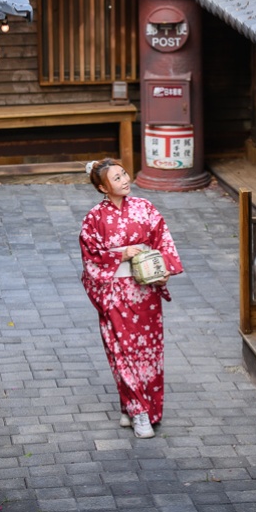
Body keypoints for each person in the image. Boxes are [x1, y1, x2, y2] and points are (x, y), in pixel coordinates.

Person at [79, 158, 183, 439]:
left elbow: (163, 239)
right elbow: (90, 257)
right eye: (116, 178)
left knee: (149, 350)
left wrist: (164, 270)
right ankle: (138, 412)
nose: (125, 180)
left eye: (124, 174)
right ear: (103, 187)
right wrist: (120, 254)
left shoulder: (145, 208)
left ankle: (141, 408)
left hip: (145, 289)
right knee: (121, 350)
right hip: (113, 291)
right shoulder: (94, 218)